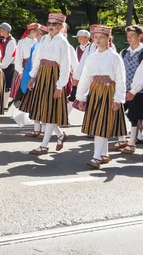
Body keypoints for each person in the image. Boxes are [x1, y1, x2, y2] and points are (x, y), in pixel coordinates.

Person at [73, 25, 127, 169]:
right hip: (95, 91)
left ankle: (96, 157)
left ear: (108, 38)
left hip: (109, 92)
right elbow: (86, 77)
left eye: (101, 37)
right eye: (95, 37)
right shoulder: (92, 57)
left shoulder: (115, 57)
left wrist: (118, 99)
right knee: (98, 123)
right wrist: (81, 97)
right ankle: (103, 154)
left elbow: (121, 79)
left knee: (102, 124)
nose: (98, 40)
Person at [20, 13, 71, 156]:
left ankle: (44, 145)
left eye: (55, 24)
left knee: (49, 110)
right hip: (42, 74)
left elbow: (66, 66)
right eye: (49, 24)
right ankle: (60, 135)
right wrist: (32, 76)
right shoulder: (44, 40)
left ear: (61, 27)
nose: (51, 27)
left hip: (54, 76)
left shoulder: (63, 42)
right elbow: (37, 58)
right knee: (44, 110)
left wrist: (60, 86)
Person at [113, 25, 143, 154]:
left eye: (132, 36)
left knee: (134, 116)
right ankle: (121, 140)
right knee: (116, 113)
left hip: (139, 90)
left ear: (140, 36)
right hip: (123, 89)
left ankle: (131, 143)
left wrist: (134, 90)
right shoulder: (124, 52)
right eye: (128, 36)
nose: (129, 38)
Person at [0, 22, 16, 111]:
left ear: (5, 31)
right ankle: (3, 105)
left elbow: (9, 56)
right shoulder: (5, 40)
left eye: (1, 29)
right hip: (4, 65)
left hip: (8, 66)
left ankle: (5, 106)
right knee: (3, 86)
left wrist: (1, 65)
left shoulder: (11, 42)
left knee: (6, 87)